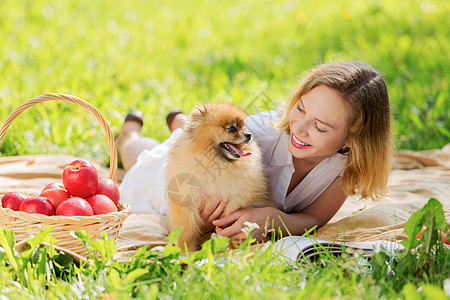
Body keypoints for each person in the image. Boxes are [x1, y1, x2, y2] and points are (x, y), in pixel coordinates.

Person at [116, 61, 392, 245]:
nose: (300, 128)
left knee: (180, 133)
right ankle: (129, 135)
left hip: (210, 143)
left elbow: (314, 218)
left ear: (352, 140)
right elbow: (178, 199)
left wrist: (275, 221)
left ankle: (180, 122)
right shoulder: (258, 134)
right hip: (176, 171)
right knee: (140, 159)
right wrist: (199, 222)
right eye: (301, 109)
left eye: (319, 126)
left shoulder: (346, 166)